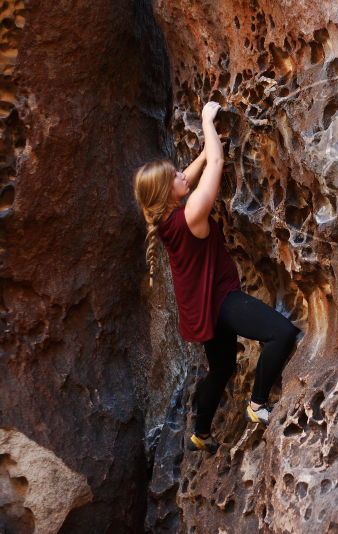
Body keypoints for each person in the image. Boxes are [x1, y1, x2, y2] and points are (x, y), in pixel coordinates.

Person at [132, 101, 302, 454]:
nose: (183, 175)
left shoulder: (163, 218)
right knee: (282, 334)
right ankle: (257, 404)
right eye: (175, 176)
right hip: (221, 300)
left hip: (200, 307)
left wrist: (198, 157)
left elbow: (191, 175)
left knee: (222, 367)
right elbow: (218, 163)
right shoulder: (192, 213)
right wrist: (208, 122)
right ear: (168, 192)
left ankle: (201, 431)